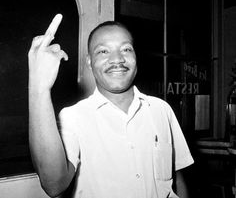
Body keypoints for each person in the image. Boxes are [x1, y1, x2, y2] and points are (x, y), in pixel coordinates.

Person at [28, 14, 194, 198]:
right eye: (103, 51)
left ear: (136, 57)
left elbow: (177, 179)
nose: (117, 59)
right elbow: (54, 185)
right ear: (89, 62)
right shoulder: (72, 117)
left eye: (126, 49)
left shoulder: (161, 109)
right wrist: (39, 88)